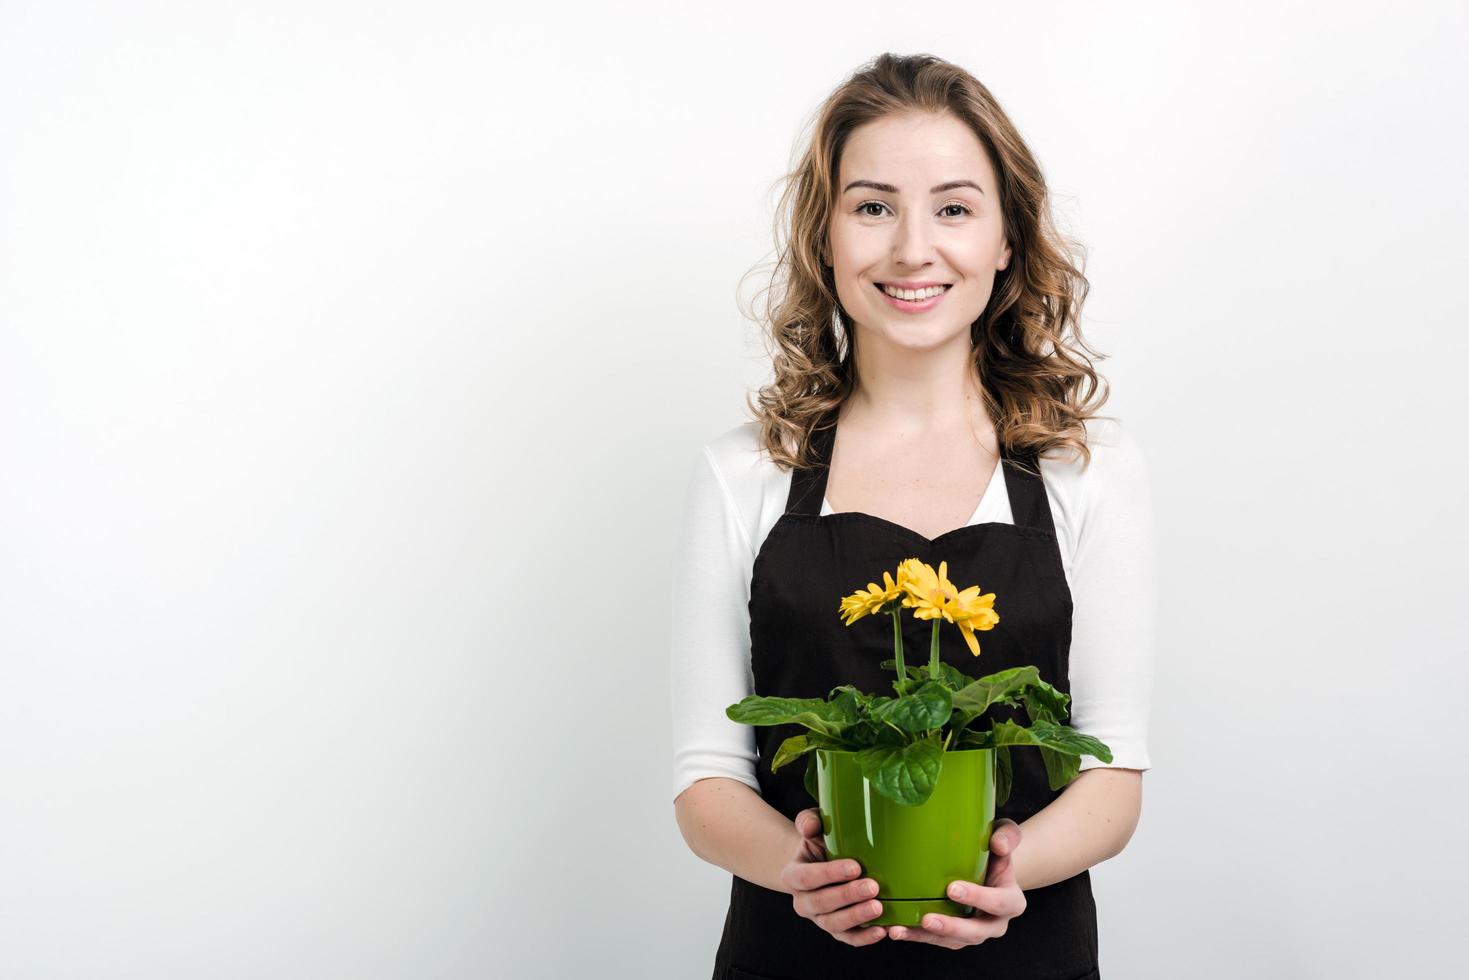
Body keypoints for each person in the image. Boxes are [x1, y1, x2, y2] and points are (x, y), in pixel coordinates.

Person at [670, 52, 1157, 980]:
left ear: (1005, 239)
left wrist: (1003, 877)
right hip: (792, 954)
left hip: (1026, 952)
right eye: (871, 206)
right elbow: (707, 779)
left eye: (954, 207)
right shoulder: (743, 473)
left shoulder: (1087, 471)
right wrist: (797, 871)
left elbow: (1111, 773)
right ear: (825, 237)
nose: (910, 249)